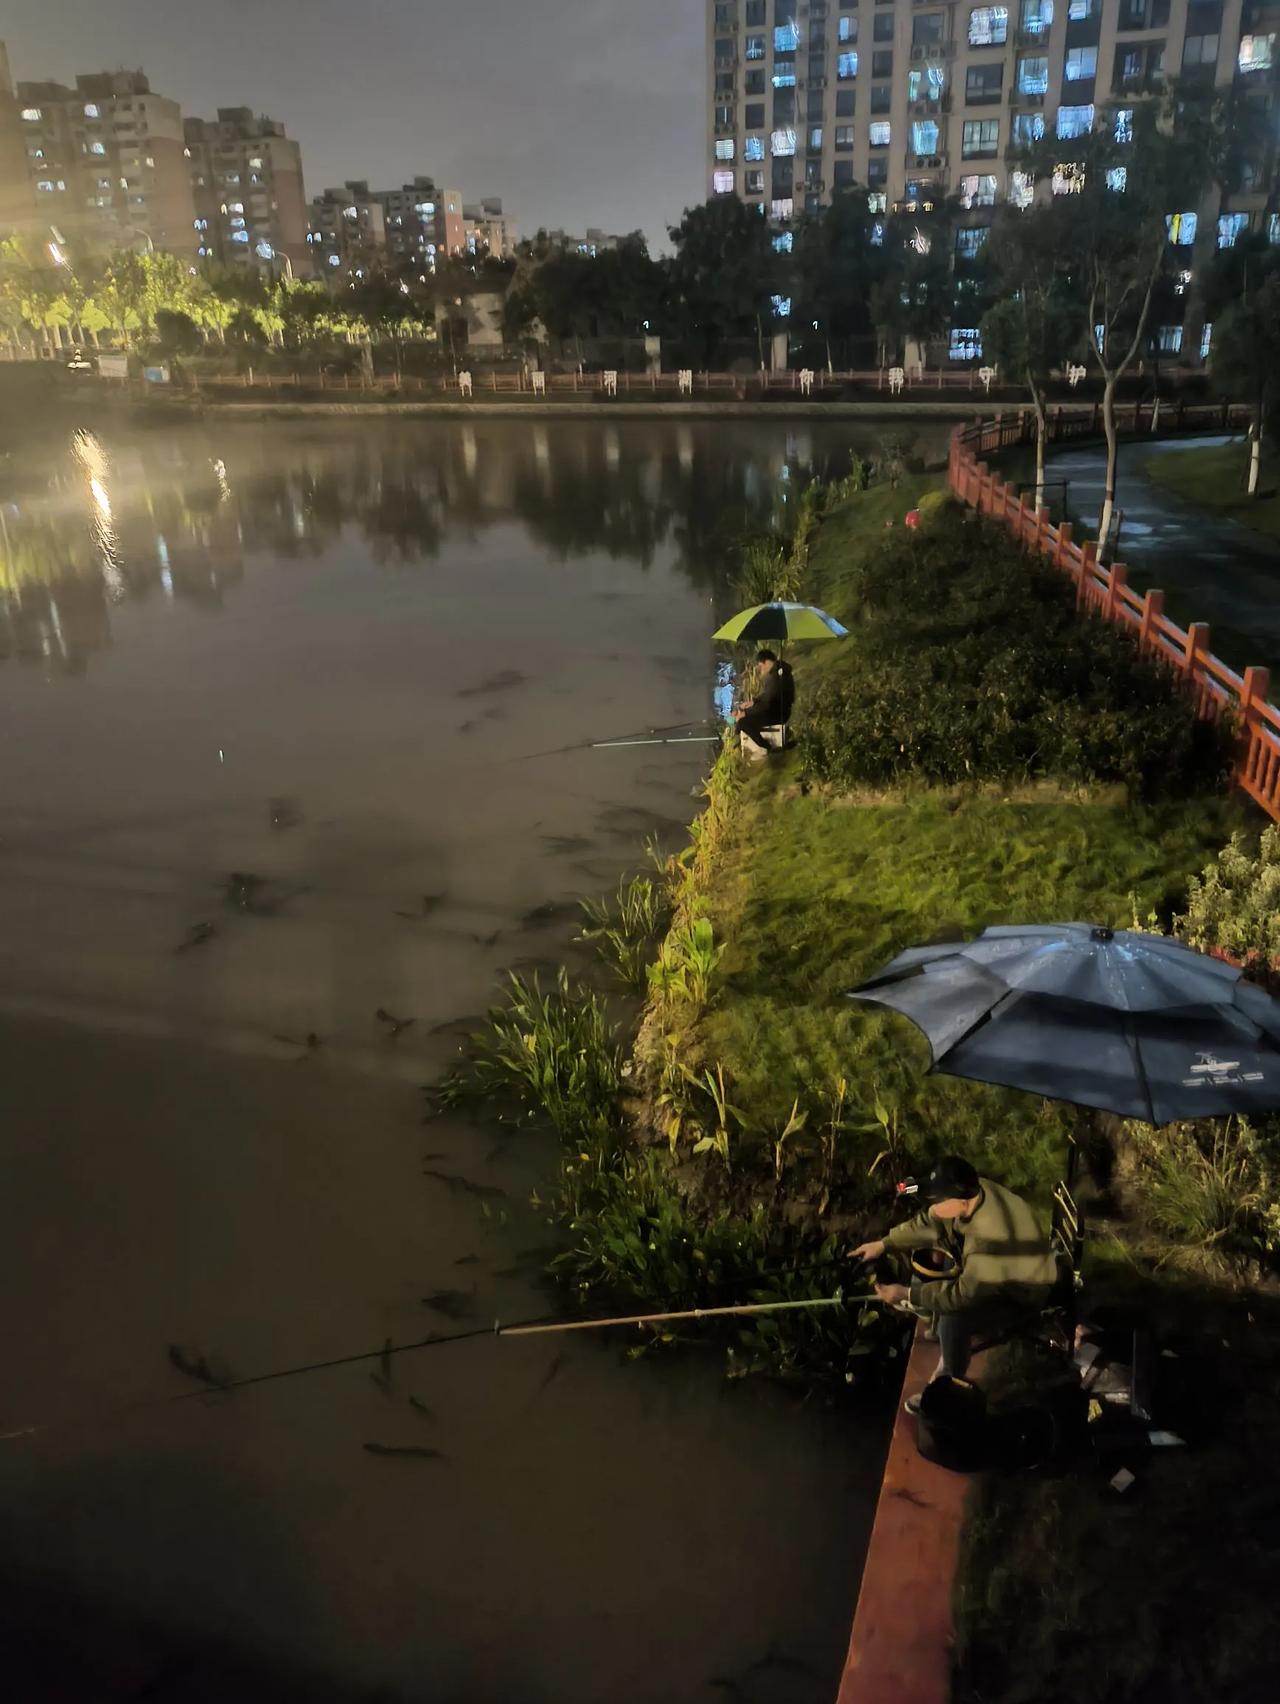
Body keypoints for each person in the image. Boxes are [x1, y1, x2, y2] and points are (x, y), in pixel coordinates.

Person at [848, 1155, 1059, 1413]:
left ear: (961, 1202)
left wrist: (907, 1294)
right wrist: (883, 1244)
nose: (933, 1206)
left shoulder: (988, 1239)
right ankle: (942, 1333)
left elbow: (960, 1297)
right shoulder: (972, 1189)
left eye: (938, 1201)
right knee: (942, 1260)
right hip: (1008, 1266)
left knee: (953, 1312)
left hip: (1022, 1294)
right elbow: (928, 1223)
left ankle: (946, 1379)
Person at [733, 651, 795, 758]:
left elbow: (767, 704)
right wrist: (754, 701)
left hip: (778, 713)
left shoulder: (777, 677)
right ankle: (738, 736)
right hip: (775, 709)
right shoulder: (776, 673)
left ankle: (768, 747)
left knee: (743, 722)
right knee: (741, 721)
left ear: (766, 662)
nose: (759, 669)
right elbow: (768, 696)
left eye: (760, 666)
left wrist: (746, 713)